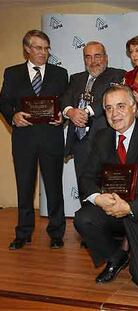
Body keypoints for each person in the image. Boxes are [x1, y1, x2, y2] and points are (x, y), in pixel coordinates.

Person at [73, 84, 138, 286]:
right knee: (84, 218)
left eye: (120, 106)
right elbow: (86, 177)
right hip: (113, 209)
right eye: (108, 108)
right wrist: (98, 198)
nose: (114, 113)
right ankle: (116, 256)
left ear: (134, 108)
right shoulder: (102, 138)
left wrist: (129, 207)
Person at [0, 30, 68, 250]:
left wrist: (62, 116)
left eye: (46, 48)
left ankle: (57, 233)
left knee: (54, 188)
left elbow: (65, 103)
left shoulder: (60, 73)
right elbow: (4, 102)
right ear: (27, 49)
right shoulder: (12, 73)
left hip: (52, 138)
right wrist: (13, 116)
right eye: (38, 47)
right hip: (24, 140)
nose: (43, 52)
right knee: (24, 187)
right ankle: (23, 232)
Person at [60, 41, 125, 187]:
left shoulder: (117, 75)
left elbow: (110, 98)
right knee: (84, 186)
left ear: (106, 58)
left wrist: (86, 112)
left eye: (97, 56)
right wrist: (70, 112)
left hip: (105, 141)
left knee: (107, 186)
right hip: (80, 143)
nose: (93, 61)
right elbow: (65, 98)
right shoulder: (76, 78)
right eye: (88, 57)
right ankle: (86, 210)